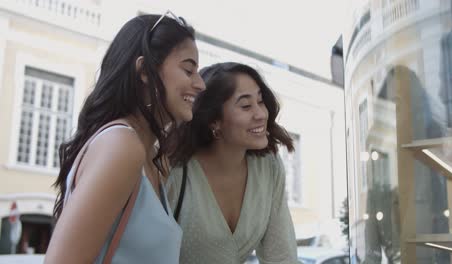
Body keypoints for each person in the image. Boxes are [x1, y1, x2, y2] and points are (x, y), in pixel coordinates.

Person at [45, 11, 205, 264]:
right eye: (188, 70)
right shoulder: (121, 145)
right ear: (144, 70)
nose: (200, 84)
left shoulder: (151, 158)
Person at [168, 62, 300, 263]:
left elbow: (282, 257)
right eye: (246, 106)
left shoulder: (268, 166)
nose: (261, 114)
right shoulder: (174, 169)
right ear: (214, 121)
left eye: (261, 101)